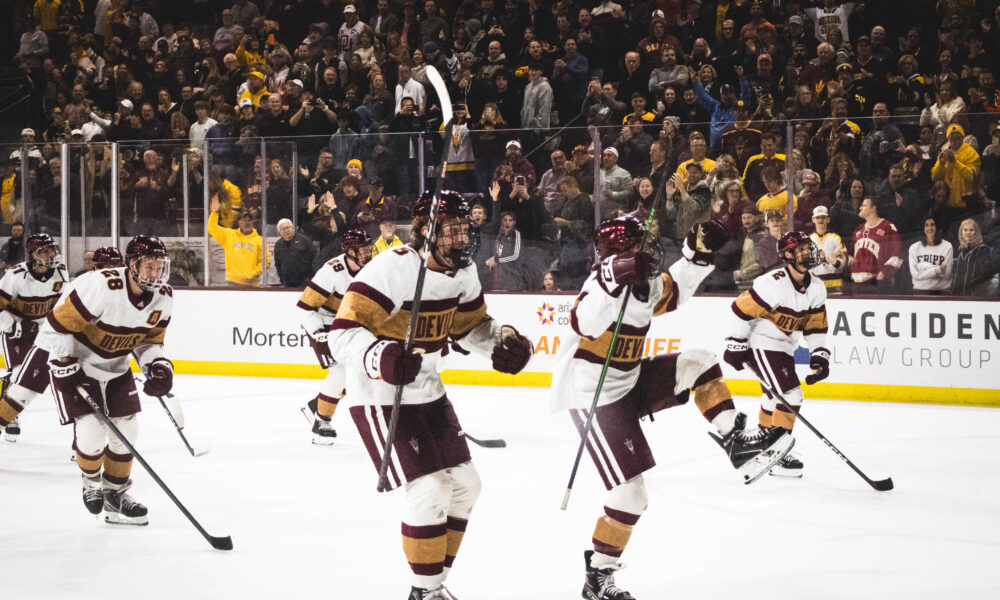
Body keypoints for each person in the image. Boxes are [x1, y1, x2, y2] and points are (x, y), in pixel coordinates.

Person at [551, 216, 792, 600]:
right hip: (594, 396)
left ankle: (736, 442)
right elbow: (583, 321)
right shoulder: (599, 285)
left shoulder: (644, 288)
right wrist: (615, 275)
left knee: (698, 360)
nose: (646, 251)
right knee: (632, 495)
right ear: (618, 256)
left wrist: (698, 253)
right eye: (637, 247)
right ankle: (598, 574)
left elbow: (676, 288)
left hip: (629, 382)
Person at [327, 191, 533, 600]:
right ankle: (426, 591)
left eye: (464, 228)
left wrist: (501, 342)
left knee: (467, 487)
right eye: (451, 229)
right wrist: (380, 355)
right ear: (425, 230)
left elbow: (470, 326)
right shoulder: (392, 268)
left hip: (428, 390)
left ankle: (432, 584)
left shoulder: (464, 272)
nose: (462, 238)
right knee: (429, 490)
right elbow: (342, 332)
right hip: (380, 394)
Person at [7, 236, 173, 524]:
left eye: (159, 267)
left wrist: (158, 366)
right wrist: (63, 364)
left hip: (116, 365)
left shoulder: (165, 296)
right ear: (132, 264)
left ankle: (115, 496)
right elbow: (58, 326)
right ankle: (91, 484)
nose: (155, 274)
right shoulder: (101, 285)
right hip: (76, 361)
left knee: (128, 430)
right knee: (91, 432)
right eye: (148, 266)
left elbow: (150, 342)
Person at [724, 231, 830, 479]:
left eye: (808, 247)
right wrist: (736, 344)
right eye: (801, 249)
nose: (808, 252)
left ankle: (758, 445)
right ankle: (777, 453)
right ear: (788, 255)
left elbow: (815, 325)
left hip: (784, 345)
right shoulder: (771, 283)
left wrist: (819, 356)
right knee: (791, 393)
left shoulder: (816, 287)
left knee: (774, 398)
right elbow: (740, 309)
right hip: (760, 342)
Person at [297, 229, 373, 444]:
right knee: (339, 373)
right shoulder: (332, 271)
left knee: (360, 373)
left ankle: (317, 404)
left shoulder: (370, 269)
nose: (368, 253)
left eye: (369, 248)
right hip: (324, 323)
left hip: (349, 324)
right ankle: (321, 420)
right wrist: (318, 333)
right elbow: (305, 306)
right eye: (363, 250)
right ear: (350, 252)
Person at [0, 234, 69, 441]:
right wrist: (10, 324)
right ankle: (9, 416)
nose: (50, 254)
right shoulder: (16, 275)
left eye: (51, 250)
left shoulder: (61, 272)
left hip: (44, 329)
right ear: (32, 255)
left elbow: (63, 303)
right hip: (17, 327)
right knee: (18, 373)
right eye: (44, 251)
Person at [208, 200, 267, 287]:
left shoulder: (259, 240)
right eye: (244, 220)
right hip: (233, 283)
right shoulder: (229, 235)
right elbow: (212, 228)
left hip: (252, 284)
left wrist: (252, 273)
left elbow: (265, 261)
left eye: (249, 220)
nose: (247, 223)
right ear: (238, 222)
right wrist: (214, 212)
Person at [849, 198, 902, 292]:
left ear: (873, 208)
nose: (860, 208)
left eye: (864, 205)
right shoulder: (859, 229)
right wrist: (851, 272)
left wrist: (884, 274)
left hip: (877, 284)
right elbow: (851, 255)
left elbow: (896, 255)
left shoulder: (888, 227)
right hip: (857, 284)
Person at [908, 216, 953, 295]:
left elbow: (947, 274)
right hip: (920, 290)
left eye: (932, 225)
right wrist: (938, 269)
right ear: (923, 228)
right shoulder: (914, 247)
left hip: (942, 291)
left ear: (937, 227)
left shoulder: (947, 246)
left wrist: (921, 266)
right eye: (926, 225)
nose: (930, 228)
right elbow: (916, 275)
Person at [952, 219, 997, 296]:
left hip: (976, 297)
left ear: (976, 232)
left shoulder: (982, 249)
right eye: (965, 230)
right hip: (960, 298)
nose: (968, 233)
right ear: (961, 232)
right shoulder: (960, 252)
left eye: (971, 230)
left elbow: (986, 275)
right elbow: (957, 278)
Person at [809, 206, 847, 293]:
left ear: (828, 219)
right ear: (813, 220)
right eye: (817, 217)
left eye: (823, 217)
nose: (820, 220)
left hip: (834, 280)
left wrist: (837, 263)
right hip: (814, 281)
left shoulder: (835, 238)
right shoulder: (808, 239)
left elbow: (843, 257)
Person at [274, 218, 316, 288]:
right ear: (279, 232)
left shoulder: (305, 240)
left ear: (293, 228)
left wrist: (310, 278)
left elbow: (315, 259)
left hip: (305, 283)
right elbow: (278, 264)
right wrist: (283, 280)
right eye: (283, 229)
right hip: (287, 283)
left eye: (288, 227)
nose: (286, 230)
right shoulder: (278, 244)